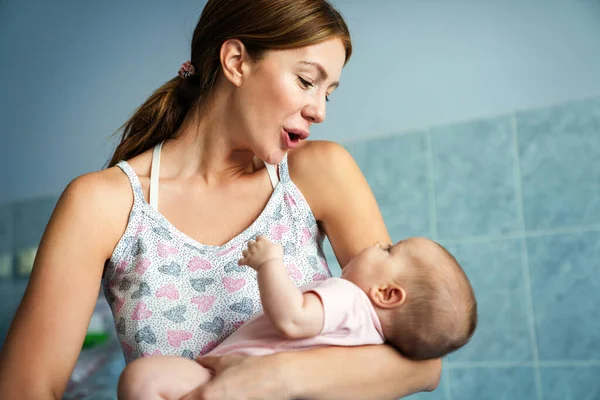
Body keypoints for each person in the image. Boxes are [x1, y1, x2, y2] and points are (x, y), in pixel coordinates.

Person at [0, 0, 443, 399]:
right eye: (307, 80)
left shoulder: (319, 173)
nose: (319, 110)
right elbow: (24, 388)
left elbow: (421, 361)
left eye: (327, 92)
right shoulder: (102, 205)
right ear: (235, 62)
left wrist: (271, 379)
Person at [117, 236, 477, 400]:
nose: (377, 243)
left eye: (388, 249)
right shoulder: (371, 338)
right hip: (244, 384)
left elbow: (291, 318)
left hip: (229, 375)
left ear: (386, 294)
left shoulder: (348, 298)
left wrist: (269, 263)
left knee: (143, 379)